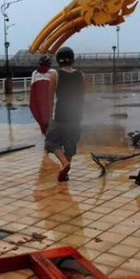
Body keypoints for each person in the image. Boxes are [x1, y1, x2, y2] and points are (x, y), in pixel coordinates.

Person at [44, 46, 85, 182]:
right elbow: (82, 96)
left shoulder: (55, 75)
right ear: (72, 59)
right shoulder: (81, 75)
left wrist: (49, 116)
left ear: (58, 60)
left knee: (51, 141)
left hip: (60, 115)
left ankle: (64, 163)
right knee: (70, 144)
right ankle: (65, 172)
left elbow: (50, 98)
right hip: (76, 115)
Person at [29, 55, 57, 135]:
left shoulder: (35, 73)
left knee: (43, 122)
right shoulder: (53, 72)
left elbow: (33, 89)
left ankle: (47, 136)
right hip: (50, 101)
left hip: (40, 102)